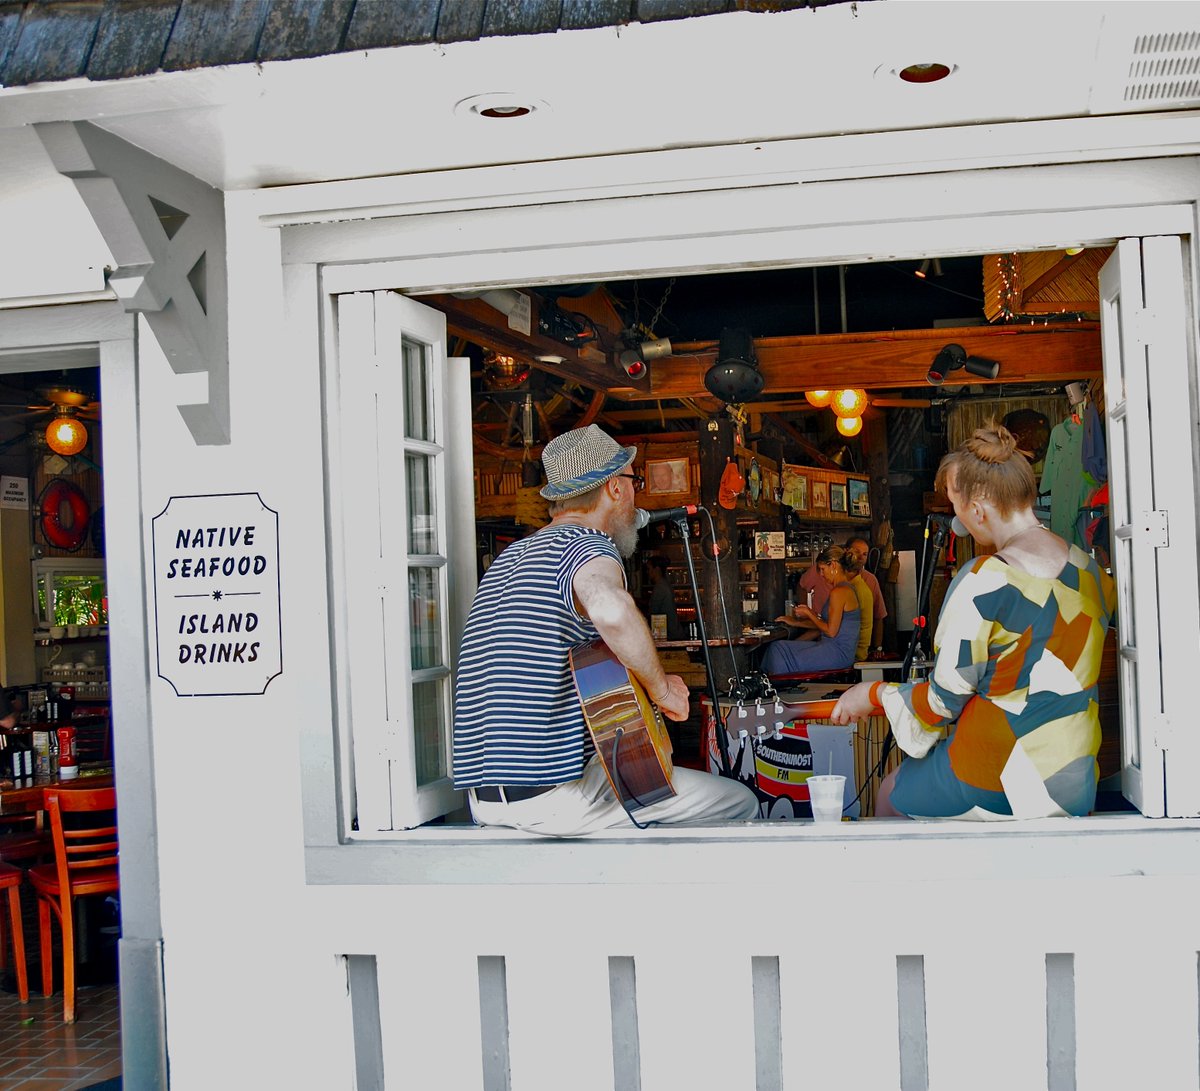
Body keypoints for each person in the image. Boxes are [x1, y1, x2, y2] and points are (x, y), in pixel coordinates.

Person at [453, 424, 758, 836]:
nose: (637, 495)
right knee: (738, 801)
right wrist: (662, 690)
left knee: (646, 778)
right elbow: (611, 609)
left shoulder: (513, 555)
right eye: (635, 482)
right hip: (552, 795)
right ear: (615, 488)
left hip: (486, 796)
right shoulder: (586, 543)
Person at [830, 424, 1116, 819]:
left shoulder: (986, 579)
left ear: (978, 510)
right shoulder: (1089, 569)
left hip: (1001, 776)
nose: (959, 522)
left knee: (892, 794)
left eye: (956, 508)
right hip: (1074, 778)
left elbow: (942, 702)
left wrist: (873, 694)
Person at [761, 545, 861, 675]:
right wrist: (796, 622)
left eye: (822, 569)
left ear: (834, 566)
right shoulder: (846, 588)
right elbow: (827, 624)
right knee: (778, 647)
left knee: (780, 656)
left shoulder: (839, 592)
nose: (821, 574)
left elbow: (831, 631)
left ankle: (775, 688)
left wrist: (809, 613)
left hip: (837, 652)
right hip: (831, 648)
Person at [844, 535, 887, 656]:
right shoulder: (828, 572)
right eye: (857, 552)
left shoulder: (869, 580)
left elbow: (879, 615)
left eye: (865, 554)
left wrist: (877, 648)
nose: (860, 557)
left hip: (853, 648)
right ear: (846, 551)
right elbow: (803, 585)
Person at [645, 555, 685, 640]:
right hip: (674, 633)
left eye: (649, 569)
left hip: (670, 635)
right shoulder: (664, 584)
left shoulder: (660, 587)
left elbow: (652, 612)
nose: (647, 572)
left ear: (657, 569)